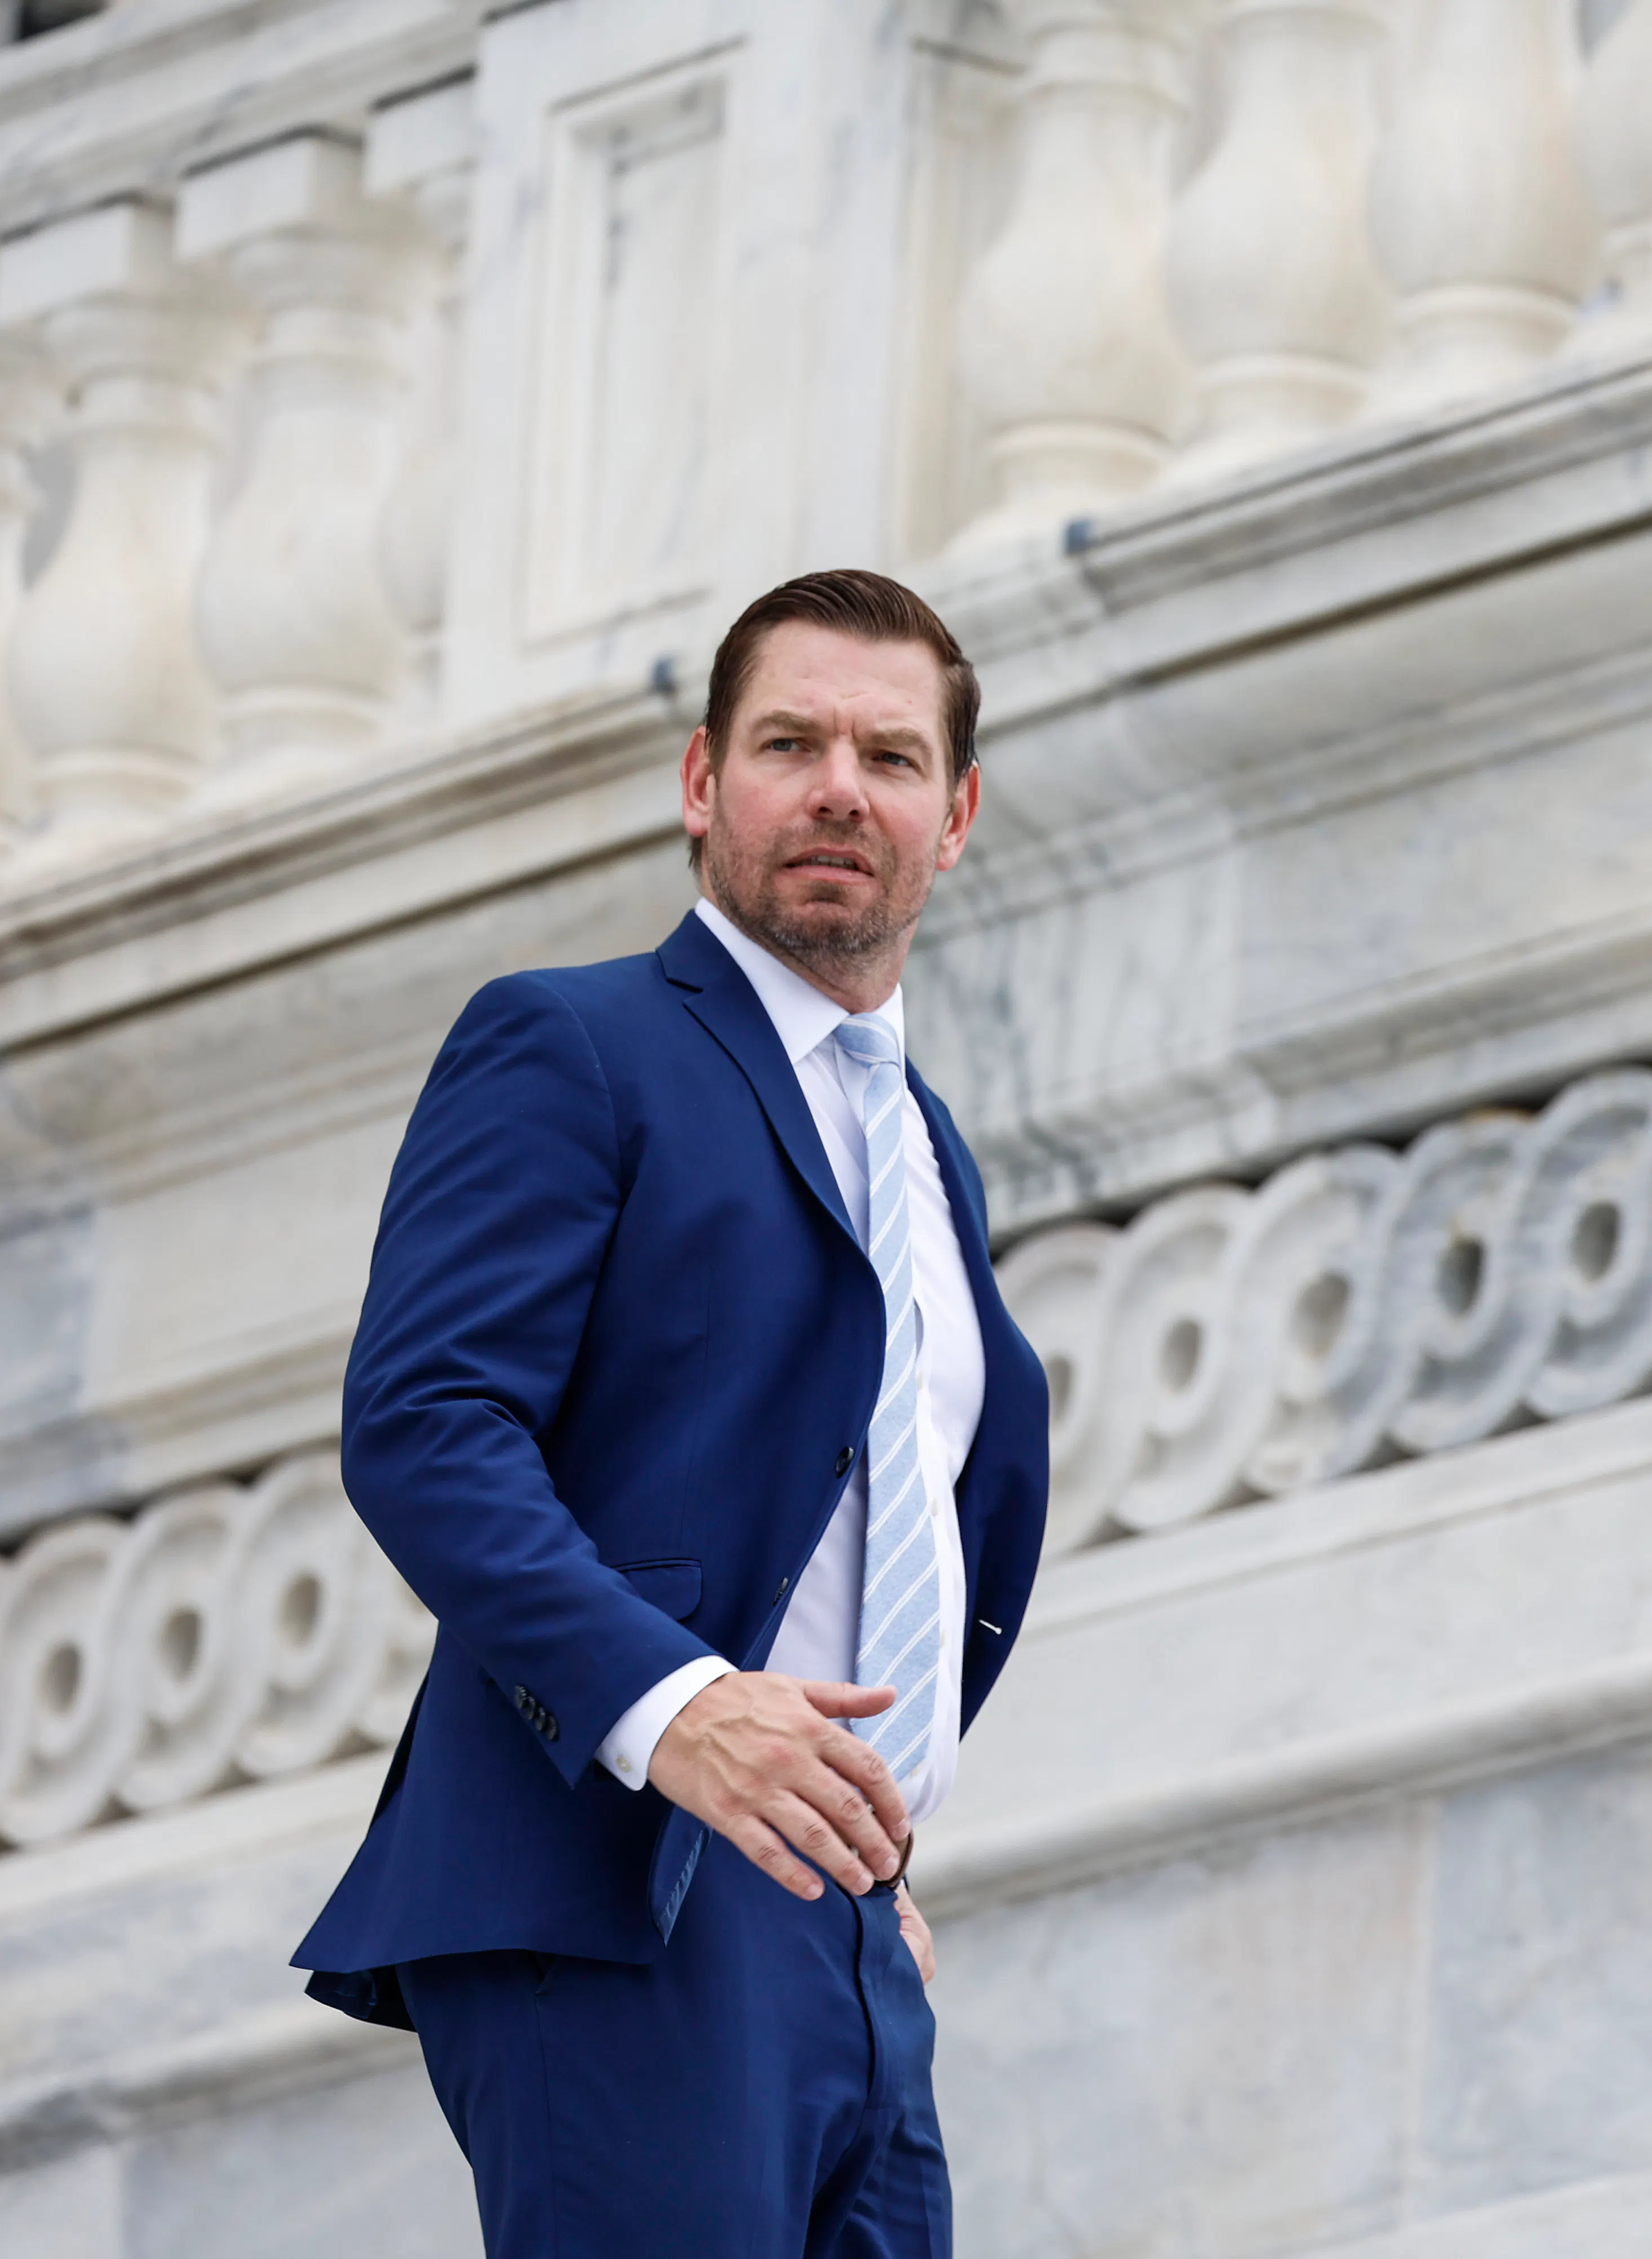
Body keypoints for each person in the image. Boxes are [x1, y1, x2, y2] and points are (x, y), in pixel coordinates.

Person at [292, 568, 1051, 2259]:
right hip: (630, 1880)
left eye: (890, 755)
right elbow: (426, 1421)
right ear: (703, 784)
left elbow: (895, 1516)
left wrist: (880, 1855)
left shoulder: (928, 1152)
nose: (841, 787)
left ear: (960, 812)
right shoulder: (574, 1046)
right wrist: (678, 1710)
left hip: (844, 1918)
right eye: (789, 743)